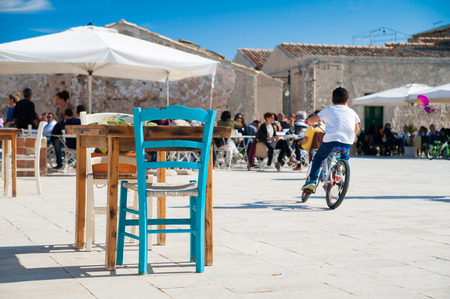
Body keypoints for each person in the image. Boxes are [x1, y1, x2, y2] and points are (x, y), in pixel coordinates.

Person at [302, 87, 360, 191]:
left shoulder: (329, 109)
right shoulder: (352, 112)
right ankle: (340, 171)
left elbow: (311, 120)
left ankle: (313, 180)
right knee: (344, 157)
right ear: (347, 101)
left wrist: (310, 122)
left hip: (331, 140)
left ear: (332, 101)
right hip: (347, 141)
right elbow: (357, 128)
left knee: (318, 157)